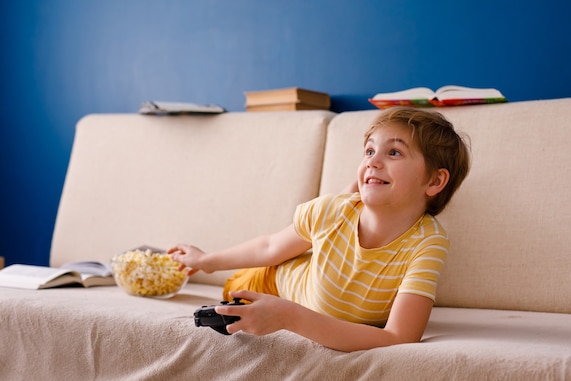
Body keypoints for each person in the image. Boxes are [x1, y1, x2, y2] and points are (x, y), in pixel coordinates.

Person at [168, 107, 470, 352]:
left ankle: (347, 204)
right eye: (368, 151)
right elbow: (269, 248)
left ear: (434, 182)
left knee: (338, 211)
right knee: (331, 213)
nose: (373, 161)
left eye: (394, 153)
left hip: (319, 274)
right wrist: (207, 261)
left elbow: (400, 337)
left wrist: (288, 316)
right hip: (272, 279)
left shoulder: (428, 243)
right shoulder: (329, 210)